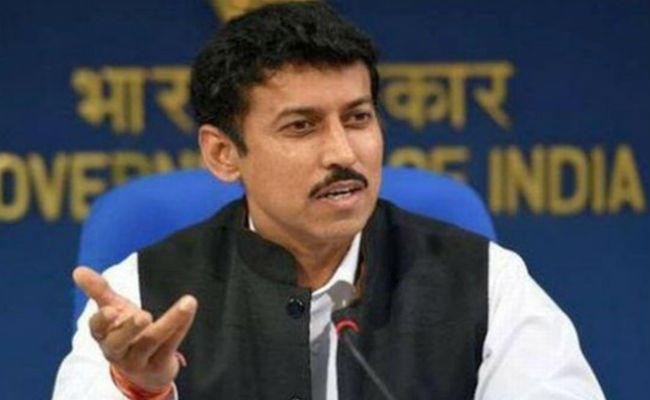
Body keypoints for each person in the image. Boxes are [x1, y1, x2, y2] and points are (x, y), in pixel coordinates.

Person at [52, 2, 606, 399]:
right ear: (224, 154)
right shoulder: (141, 297)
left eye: (358, 118)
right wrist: (143, 391)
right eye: (302, 126)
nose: (343, 152)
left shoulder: (488, 284)